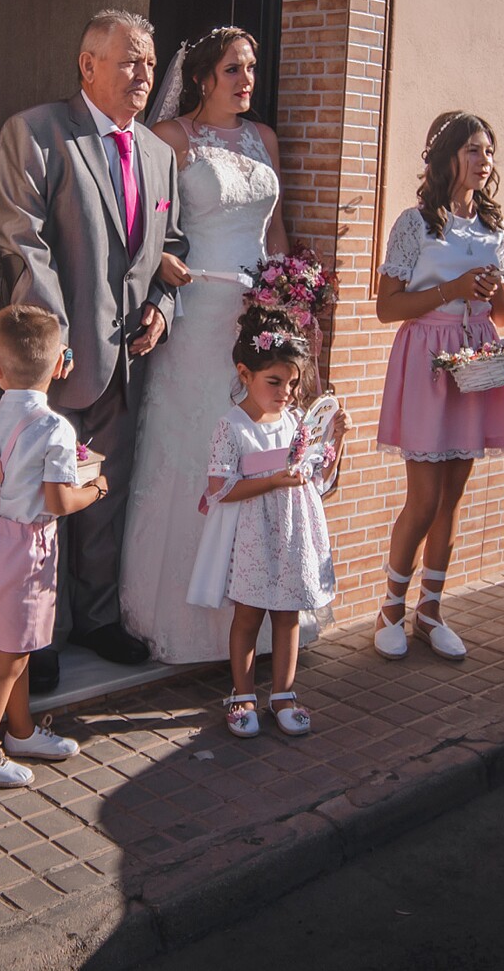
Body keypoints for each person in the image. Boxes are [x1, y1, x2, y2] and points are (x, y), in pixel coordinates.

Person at [0, 8, 188, 690]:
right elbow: (24, 240)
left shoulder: (161, 156)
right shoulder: (38, 133)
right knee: (45, 505)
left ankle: (100, 620)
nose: (143, 74)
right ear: (88, 66)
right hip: (58, 364)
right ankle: (39, 635)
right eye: (130, 60)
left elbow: (173, 250)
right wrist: (53, 338)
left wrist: (164, 309)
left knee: (105, 498)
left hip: (131, 363)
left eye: (150, 63)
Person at [120, 25, 288, 665]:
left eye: (250, 69)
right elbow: (144, 228)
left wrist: (290, 304)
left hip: (257, 321)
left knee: (255, 455)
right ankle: (180, 615)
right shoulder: (170, 140)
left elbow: (277, 235)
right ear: (201, 78)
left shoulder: (264, 140)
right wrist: (162, 260)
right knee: (194, 451)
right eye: (233, 71)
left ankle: (252, 615)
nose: (246, 81)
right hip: (196, 319)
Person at [371, 112, 504, 661]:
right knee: (425, 498)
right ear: (449, 155)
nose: (485, 162)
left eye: (489, 152)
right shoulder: (415, 223)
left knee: (452, 498)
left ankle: (430, 612)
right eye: (475, 151)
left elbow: (500, 315)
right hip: (426, 358)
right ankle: (390, 608)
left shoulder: (493, 229)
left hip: (475, 359)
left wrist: (498, 292)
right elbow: (387, 307)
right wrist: (452, 287)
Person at [0, 304, 105, 785]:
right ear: (62, 363)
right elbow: (59, 501)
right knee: (12, 659)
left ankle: (20, 731)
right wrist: (97, 489)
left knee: (8, 646)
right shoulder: (55, 427)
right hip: (25, 549)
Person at [187, 308, 341, 737]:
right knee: (249, 615)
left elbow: (316, 478)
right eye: (275, 382)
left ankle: (285, 693)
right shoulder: (232, 426)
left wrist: (336, 441)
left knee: (288, 614)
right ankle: (242, 694)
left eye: (292, 384)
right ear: (245, 373)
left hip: (293, 533)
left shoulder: (296, 423)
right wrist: (271, 480)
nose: (286, 393)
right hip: (253, 536)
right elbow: (219, 489)